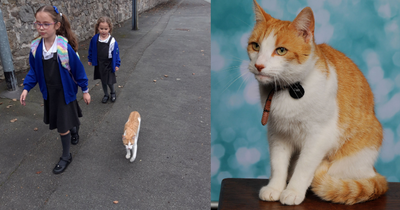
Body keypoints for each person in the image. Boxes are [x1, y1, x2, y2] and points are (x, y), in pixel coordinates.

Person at [19, 5, 91, 174]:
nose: (41, 27)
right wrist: (26, 88)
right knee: (65, 120)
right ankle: (74, 128)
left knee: (61, 126)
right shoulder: (36, 47)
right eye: (38, 23)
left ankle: (66, 156)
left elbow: (78, 70)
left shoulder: (64, 48)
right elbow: (34, 71)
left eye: (46, 24)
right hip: (50, 93)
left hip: (65, 91)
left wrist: (86, 90)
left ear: (57, 25)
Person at [88, 16, 121, 103]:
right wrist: (90, 59)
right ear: (98, 28)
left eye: (106, 29)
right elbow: (91, 49)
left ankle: (113, 93)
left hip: (109, 64)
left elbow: (116, 54)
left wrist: (117, 64)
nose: (103, 31)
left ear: (109, 28)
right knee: (103, 81)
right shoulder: (95, 39)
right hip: (100, 63)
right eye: (101, 28)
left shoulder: (112, 41)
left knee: (109, 81)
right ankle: (106, 94)